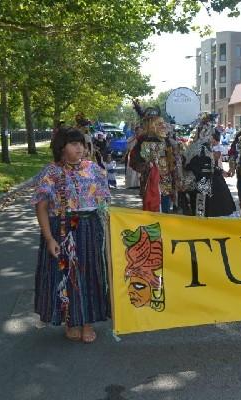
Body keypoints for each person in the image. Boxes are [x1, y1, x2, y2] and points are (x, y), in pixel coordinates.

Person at [32, 127, 111, 343]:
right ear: (61, 148)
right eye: (74, 143)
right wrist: (49, 238)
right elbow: (41, 206)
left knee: (91, 275)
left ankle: (88, 323)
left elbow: (104, 203)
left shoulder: (94, 169)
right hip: (63, 229)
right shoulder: (52, 172)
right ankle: (71, 321)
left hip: (90, 228)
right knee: (66, 277)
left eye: (82, 143)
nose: (80, 147)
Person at [182, 113, 236, 217]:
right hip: (201, 181)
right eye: (209, 133)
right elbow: (202, 167)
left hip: (203, 181)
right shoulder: (200, 148)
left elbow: (208, 165)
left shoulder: (201, 147)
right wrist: (218, 171)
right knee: (201, 209)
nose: (211, 136)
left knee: (203, 208)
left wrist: (220, 171)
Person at [129, 107, 180, 213]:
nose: (163, 126)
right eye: (158, 123)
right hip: (150, 180)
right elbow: (134, 161)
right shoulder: (142, 140)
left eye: (162, 123)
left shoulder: (168, 140)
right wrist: (146, 166)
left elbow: (175, 161)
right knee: (151, 210)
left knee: (164, 209)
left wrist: (176, 176)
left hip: (166, 181)